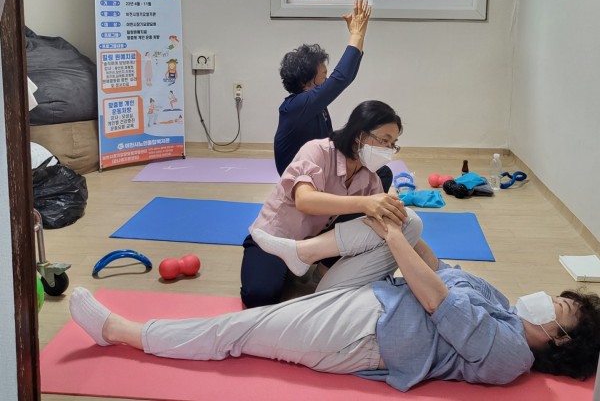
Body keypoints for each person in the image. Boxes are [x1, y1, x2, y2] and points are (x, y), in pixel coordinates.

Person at [70, 216, 600, 392]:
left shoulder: (511, 356)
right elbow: (438, 271)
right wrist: (397, 222)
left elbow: (437, 297)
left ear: (559, 339)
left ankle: (119, 331)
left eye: (559, 307)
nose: (548, 299)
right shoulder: (505, 307)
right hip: (377, 297)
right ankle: (301, 254)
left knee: (240, 330)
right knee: (411, 221)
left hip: (363, 335)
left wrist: (393, 238)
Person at [240, 100, 422, 308]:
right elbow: (304, 200)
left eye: (393, 144)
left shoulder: (370, 176)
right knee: (259, 296)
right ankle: (294, 261)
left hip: (315, 240)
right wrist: (365, 203)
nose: (388, 150)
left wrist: (430, 263)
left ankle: (320, 267)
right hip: (275, 237)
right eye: (385, 140)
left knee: (375, 216)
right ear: (359, 135)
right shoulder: (318, 151)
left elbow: (390, 221)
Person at [274, 0, 373, 176]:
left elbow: (347, 77)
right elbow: (340, 79)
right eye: (323, 76)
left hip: (320, 168)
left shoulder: (313, 105)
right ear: (306, 82)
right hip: (301, 180)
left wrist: (360, 36)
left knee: (379, 172)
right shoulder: (297, 106)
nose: (327, 80)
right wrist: (356, 35)